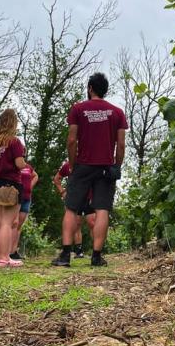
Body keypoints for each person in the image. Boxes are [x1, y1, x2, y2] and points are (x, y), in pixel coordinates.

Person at [52, 72, 127, 267]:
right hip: (105, 167)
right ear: (105, 90)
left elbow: (71, 140)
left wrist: (73, 163)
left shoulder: (78, 109)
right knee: (102, 210)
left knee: (71, 208)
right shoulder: (117, 112)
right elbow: (121, 144)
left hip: (82, 165)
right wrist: (116, 166)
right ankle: (96, 256)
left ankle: (65, 256)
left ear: (90, 88)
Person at [0, 109, 28, 268]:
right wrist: (25, 161)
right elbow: (19, 164)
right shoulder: (14, 142)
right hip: (10, 185)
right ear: (13, 123)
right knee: (8, 223)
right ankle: (5, 258)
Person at [53, 160, 95, 258]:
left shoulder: (91, 163)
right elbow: (56, 179)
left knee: (92, 222)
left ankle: (96, 251)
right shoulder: (68, 165)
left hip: (91, 197)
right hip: (75, 198)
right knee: (76, 224)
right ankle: (78, 251)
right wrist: (62, 192)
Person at [10, 161, 38, 260]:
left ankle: (14, 251)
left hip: (26, 197)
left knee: (19, 226)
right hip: (15, 197)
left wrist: (30, 185)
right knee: (13, 223)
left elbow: (35, 176)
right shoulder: (13, 164)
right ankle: (8, 251)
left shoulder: (28, 166)